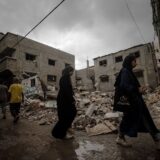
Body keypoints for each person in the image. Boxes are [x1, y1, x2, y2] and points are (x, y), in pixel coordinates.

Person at [113, 53, 160, 149]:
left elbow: (129, 86)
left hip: (134, 101)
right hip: (132, 102)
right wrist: (137, 89)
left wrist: (139, 89)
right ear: (130, 61)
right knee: (143, 119)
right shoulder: (126, 71)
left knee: (131, 119)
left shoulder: (128, 71)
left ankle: (120, 137)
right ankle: (157, 139)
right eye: (134, 61)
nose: (136, 63)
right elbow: (124, 86)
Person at [52, 66, 77, 139]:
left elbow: (67, 89)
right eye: (72, 71)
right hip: (64, 100)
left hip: (64, 99)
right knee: (68, 115)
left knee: (66, 116)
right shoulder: (65, 78)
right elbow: (66, 91)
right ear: (68, 71)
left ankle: (61, 132)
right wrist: (72, 100)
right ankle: (61, 133)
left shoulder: (66, 78)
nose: (72, 72)